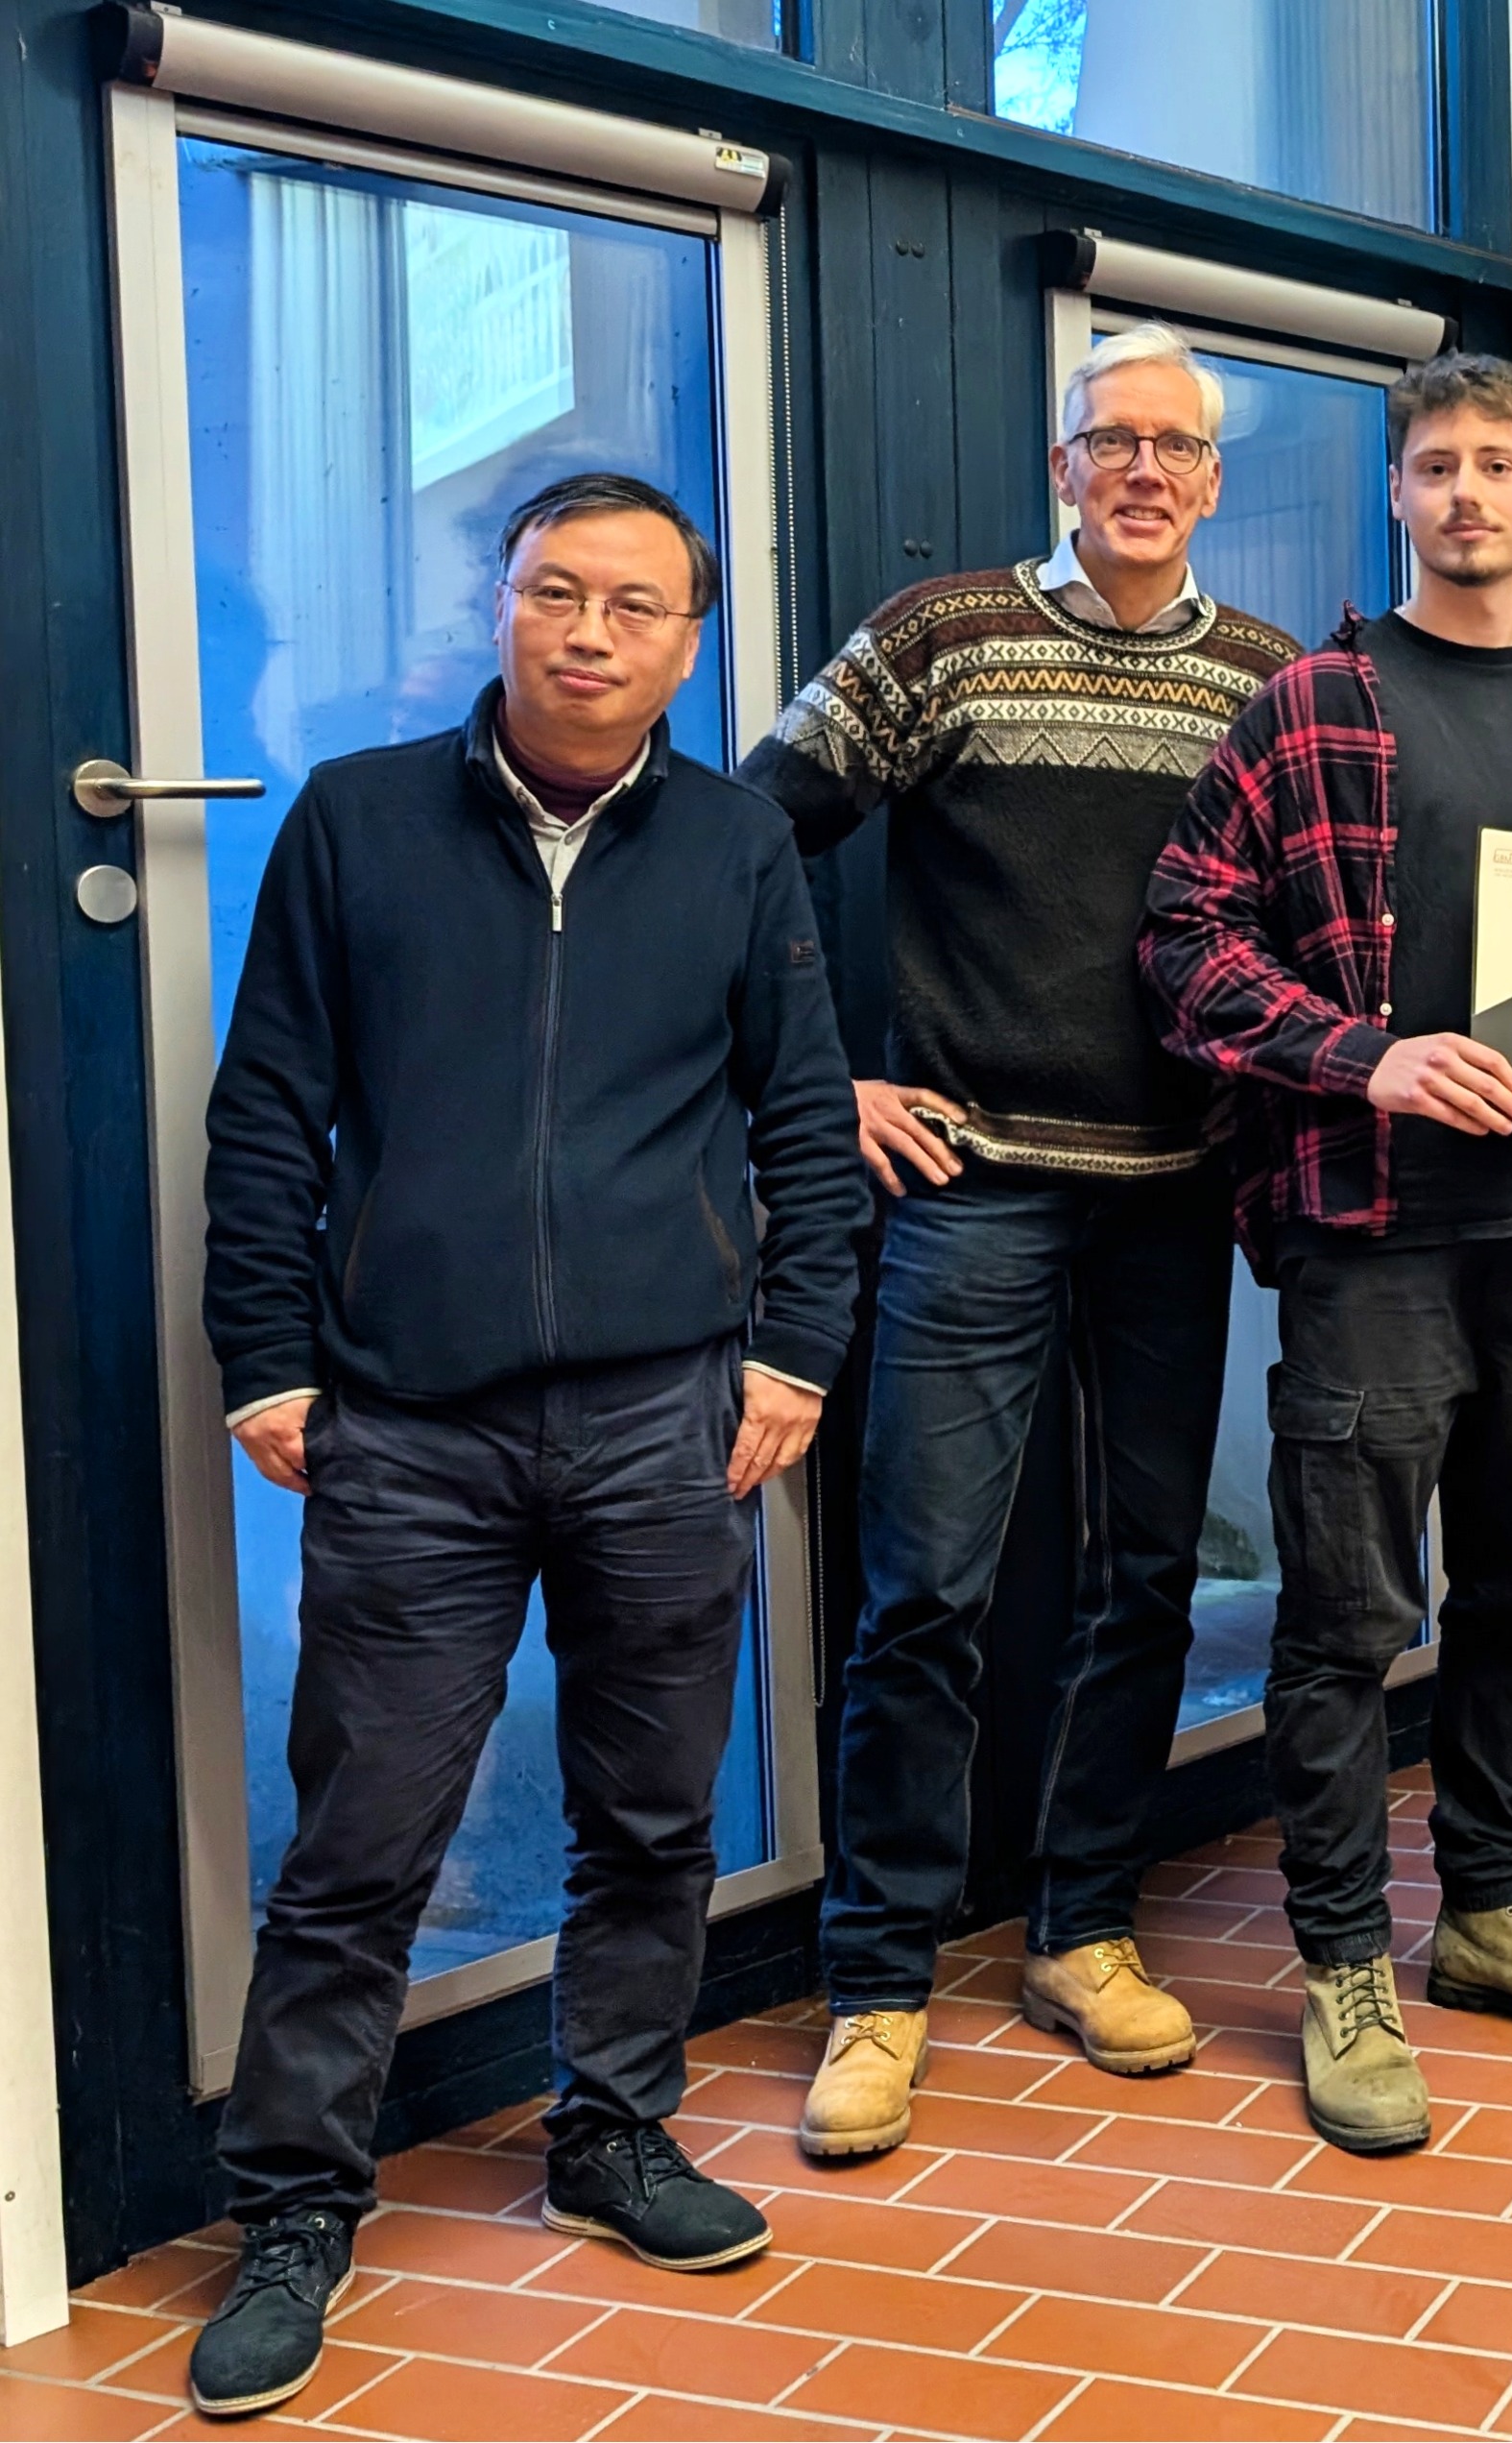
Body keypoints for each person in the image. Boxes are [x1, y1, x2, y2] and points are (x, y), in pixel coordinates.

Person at [188, 473, 864, 2418]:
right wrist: (269, 1362)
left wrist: (795, 1355)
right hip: (409, 1421)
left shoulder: (738, 846)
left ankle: (611, 2131)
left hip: (671, 1409)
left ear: (687, 642)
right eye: (555, 591)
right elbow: (267, 1117)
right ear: (500, 605)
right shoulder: (359, 822)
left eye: (634, 606)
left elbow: (805, 1125)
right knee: (364, 1834)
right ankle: (297, 2210)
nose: (588, 631)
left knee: (651, 1811)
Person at [741, 326, 1301, 2160]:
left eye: (1179, 448)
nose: (1145, 470)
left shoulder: (1271, 684)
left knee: (1149, 1575)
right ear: (1066, 466)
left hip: (1176, 1192)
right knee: (928, 1591)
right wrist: (830, 1085)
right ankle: (878, 1986)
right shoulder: (941, 638)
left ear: (1214, 483)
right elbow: (743, 853)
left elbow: (1329, 933)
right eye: (1112, 440)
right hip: (967, 1185)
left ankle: (1083, 1928)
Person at [1140, 351, 1512, 2156]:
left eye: (1497, 464)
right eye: (1435, 465)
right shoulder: (1307, 707)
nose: (1467, 493)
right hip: (1372, 1234)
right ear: (1398, 495)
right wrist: (1363, 1053)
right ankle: (1342, 1965)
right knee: (1346, 1617)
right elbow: (1183, 943)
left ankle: (1489, 1915)